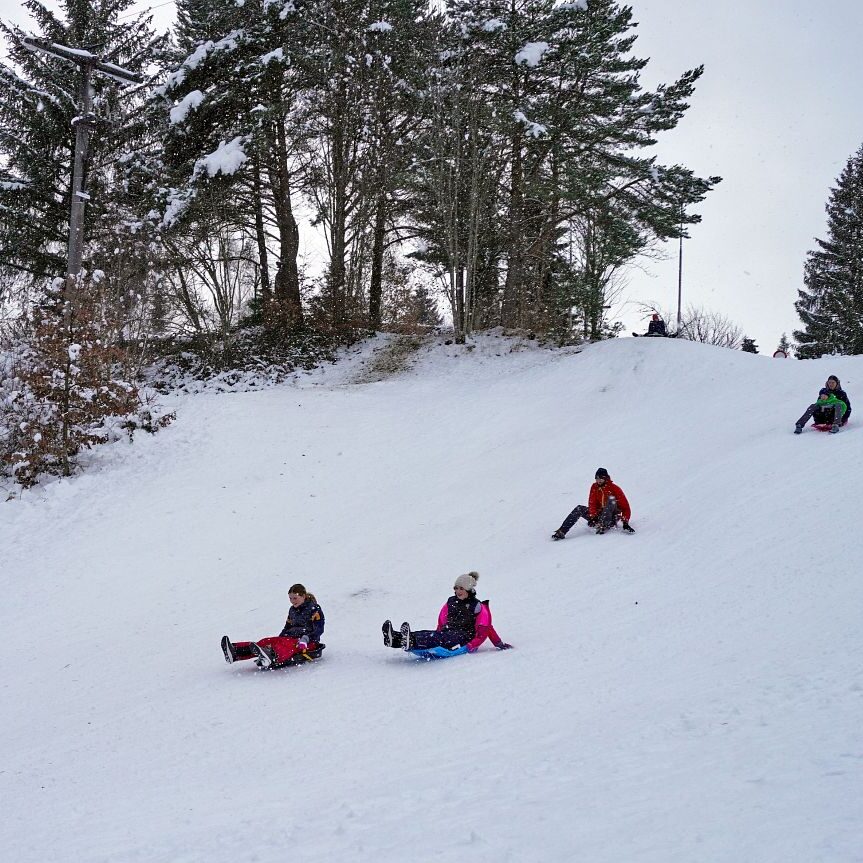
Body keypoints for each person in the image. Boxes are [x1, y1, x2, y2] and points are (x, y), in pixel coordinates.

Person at [382, 572, 512, 654]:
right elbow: (442, 619)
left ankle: (411, 640)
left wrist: (499, 644)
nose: (458, 591)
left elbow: (486, 628)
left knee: (438, 638)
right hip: (448, 631)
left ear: (468, 590)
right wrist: (439, 631)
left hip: (464, 637)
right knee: (431, 634)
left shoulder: (477, 606)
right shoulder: (451, 602)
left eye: (461, 588)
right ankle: (395, 639)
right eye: (456, 588)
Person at [221, 583, 325, 669]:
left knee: (287, 645)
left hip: (307, 643)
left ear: (303, 596)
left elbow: (319, 629)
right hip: (290, 638)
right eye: (290, 598)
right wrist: (278, 639)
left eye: (295, 598)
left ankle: (272, 656)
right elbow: (287, 627)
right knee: (266, 641)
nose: (292, 601)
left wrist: (306, 639)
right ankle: (235, 652)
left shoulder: (314, 609)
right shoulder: (292, 610)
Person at [552, 467, 634, 539]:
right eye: (596, 478)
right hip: (600, 515)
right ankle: (562, 532)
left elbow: (626, 508)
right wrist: (593, 517)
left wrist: (625, 523)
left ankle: (603, 526)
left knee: (611, 499)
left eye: (600, 478)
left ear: (606, 478)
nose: (598, 481)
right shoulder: (594, 487)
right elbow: (592, 503)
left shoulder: (614, 488)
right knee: (579, 508)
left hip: (611, 518)